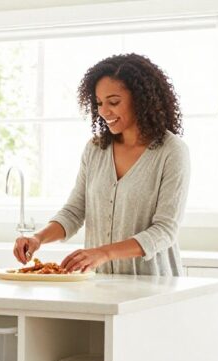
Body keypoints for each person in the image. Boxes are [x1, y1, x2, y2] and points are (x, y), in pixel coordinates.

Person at [14, 53, 190, 276]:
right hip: (101, 284)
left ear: (140, 99)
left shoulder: (172, 151)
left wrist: (104, 253)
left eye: (114, 102)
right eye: (99, 103)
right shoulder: (95, 149)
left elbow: (165, 231)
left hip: (154, 285)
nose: (104, 111)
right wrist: (37, 238)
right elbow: (74, 212)